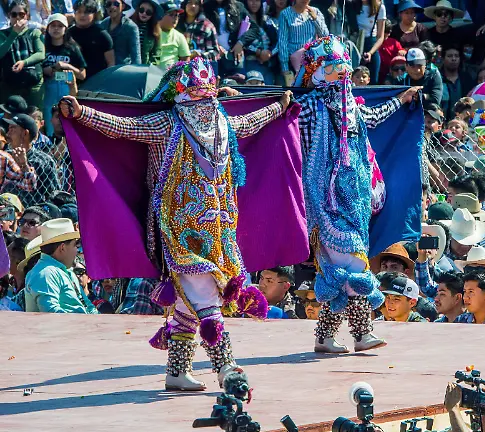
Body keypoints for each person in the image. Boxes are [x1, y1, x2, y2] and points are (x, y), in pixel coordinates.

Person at [60, 57, 292, 392]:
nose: (205, 106)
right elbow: (123, 127)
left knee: (189, 302)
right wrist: (83, 114)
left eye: (208, 98)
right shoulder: (170, 124)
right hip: (177, 229)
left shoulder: (223, 123)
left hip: (218, 229)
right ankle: (226, 368)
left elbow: (251, 121)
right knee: (206, 297)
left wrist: (278, 107)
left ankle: (176, 372)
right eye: (200, 97)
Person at [292, 36, 421, 353]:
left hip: (355, 202)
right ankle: (361, 333)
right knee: (353, 266)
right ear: (318, 70)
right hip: (325, 200)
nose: (339, 72)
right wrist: (241, 98)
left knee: (346, 269)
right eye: (333, 67)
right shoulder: (308, 106)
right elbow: (285, 122)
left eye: (341, 67)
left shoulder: (349, 105)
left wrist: (400, 100)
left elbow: (372, 118)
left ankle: (325, 338)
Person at [25, 218, 96, 314]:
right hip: (69, 328)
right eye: (75, 245)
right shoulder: (45, 273)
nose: (77, 250)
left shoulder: (66, 271)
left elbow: (88, 306)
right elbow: (51, 313)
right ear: (62, 248)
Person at [42, 14, 87, 138]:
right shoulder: (43, 47)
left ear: (65, 29)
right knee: (50, 125)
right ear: (48, 28)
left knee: (66, 124)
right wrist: (45, 70)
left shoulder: (72, 48)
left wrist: (68, 67)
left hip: (66, 89)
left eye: (60, 26)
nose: (56, 29)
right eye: (53, 26)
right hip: (47, 91)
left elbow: (82, 75)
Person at [0, 0, 45, 109]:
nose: (18, 18)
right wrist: (13, 34)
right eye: (14, 14)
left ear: (27, 16)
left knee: (34, 115)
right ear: (8, 15)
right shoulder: (2, 34)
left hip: (33, 83)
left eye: (21, 14)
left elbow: (41, 54)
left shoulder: (34, 32)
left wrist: (24, 62)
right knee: (10, 117)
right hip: (9, 83)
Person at [277, 0, 327, 85]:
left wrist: (315, 19)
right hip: (293, 64)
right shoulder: (285, 14)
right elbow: (282, 43)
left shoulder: (316, 12)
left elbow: (325, 36)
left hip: (314, 62)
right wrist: (285, 69)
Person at [70, 0, 114, 80]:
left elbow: (111, 63)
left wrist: (107, 80)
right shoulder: (68, 34)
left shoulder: (102, 34)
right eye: (79, 12)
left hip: (97, 81)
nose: (82, 15)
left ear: (94, 14)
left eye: (86, 12)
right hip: (72, 81)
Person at [177, 0, 219, 64]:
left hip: (199, 67)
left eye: (196, 4)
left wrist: (200, 55)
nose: (193, 6)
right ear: (184, 5)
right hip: (177, 66)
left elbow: (215, 52)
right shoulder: (176, 24)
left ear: (200, 7)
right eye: (190, 2)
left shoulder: (207, 26)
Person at [100, 0, 141, 65]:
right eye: (109, 4)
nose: (112, 7)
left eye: (116, 4)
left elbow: (136, 56)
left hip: (122, 70)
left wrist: (137, 72)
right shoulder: (103, 24)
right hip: (104, 70)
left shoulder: (131, 27)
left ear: (123, 6)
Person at [157, 0, 191, 70]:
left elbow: (185, 60)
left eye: (177, 15)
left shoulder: (179, 36)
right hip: (152, 73)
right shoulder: (152, 33)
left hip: (172, 75)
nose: (175, 18)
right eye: (171, 15)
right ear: (161, 15)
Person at [131, 0, 163, 65]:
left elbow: (156, 54)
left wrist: (149, 68)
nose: (144, 13)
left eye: (148, 12)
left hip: (144, 67)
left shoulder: (156, 31)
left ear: (153, 14)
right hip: (128, 66)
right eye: (141, 10)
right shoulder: (128, 25)